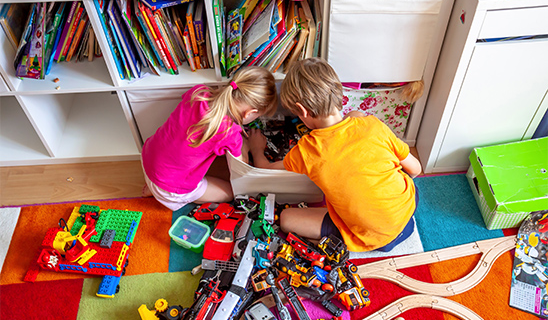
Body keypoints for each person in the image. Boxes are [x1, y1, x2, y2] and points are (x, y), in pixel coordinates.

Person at [248, 58, 422, 252]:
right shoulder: (373, 125)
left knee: (287, 220)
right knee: (397, 172)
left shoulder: (307, 150)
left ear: (303, 111)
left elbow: (265, 168)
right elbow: (416, 169)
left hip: (373, 238)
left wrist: (256, 148)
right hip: (408, 209)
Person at [142, 66, 277, 211]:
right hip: (170, 188)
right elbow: (240, 169)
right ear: (250, 113)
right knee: (230, 193)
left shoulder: (199, 92)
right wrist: (254, 147)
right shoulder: (229, 133)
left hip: (147, 158)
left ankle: (153, 188)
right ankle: (161, 195)